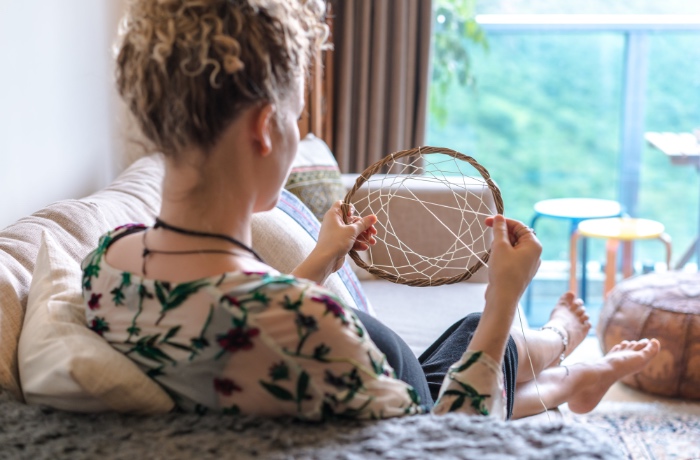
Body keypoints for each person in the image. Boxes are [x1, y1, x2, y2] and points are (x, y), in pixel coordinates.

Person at [82, 0, 660, 420]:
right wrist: (503, 298)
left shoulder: (110, 261)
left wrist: (322, 260)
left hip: (367, 384)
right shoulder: (306, 325)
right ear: (264, 127)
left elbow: (225, 316)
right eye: (296, 117)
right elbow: (450, 443)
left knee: (472, 336)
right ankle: (566, 353)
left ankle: (571, 372)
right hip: (416, 402)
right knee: (479, 333)